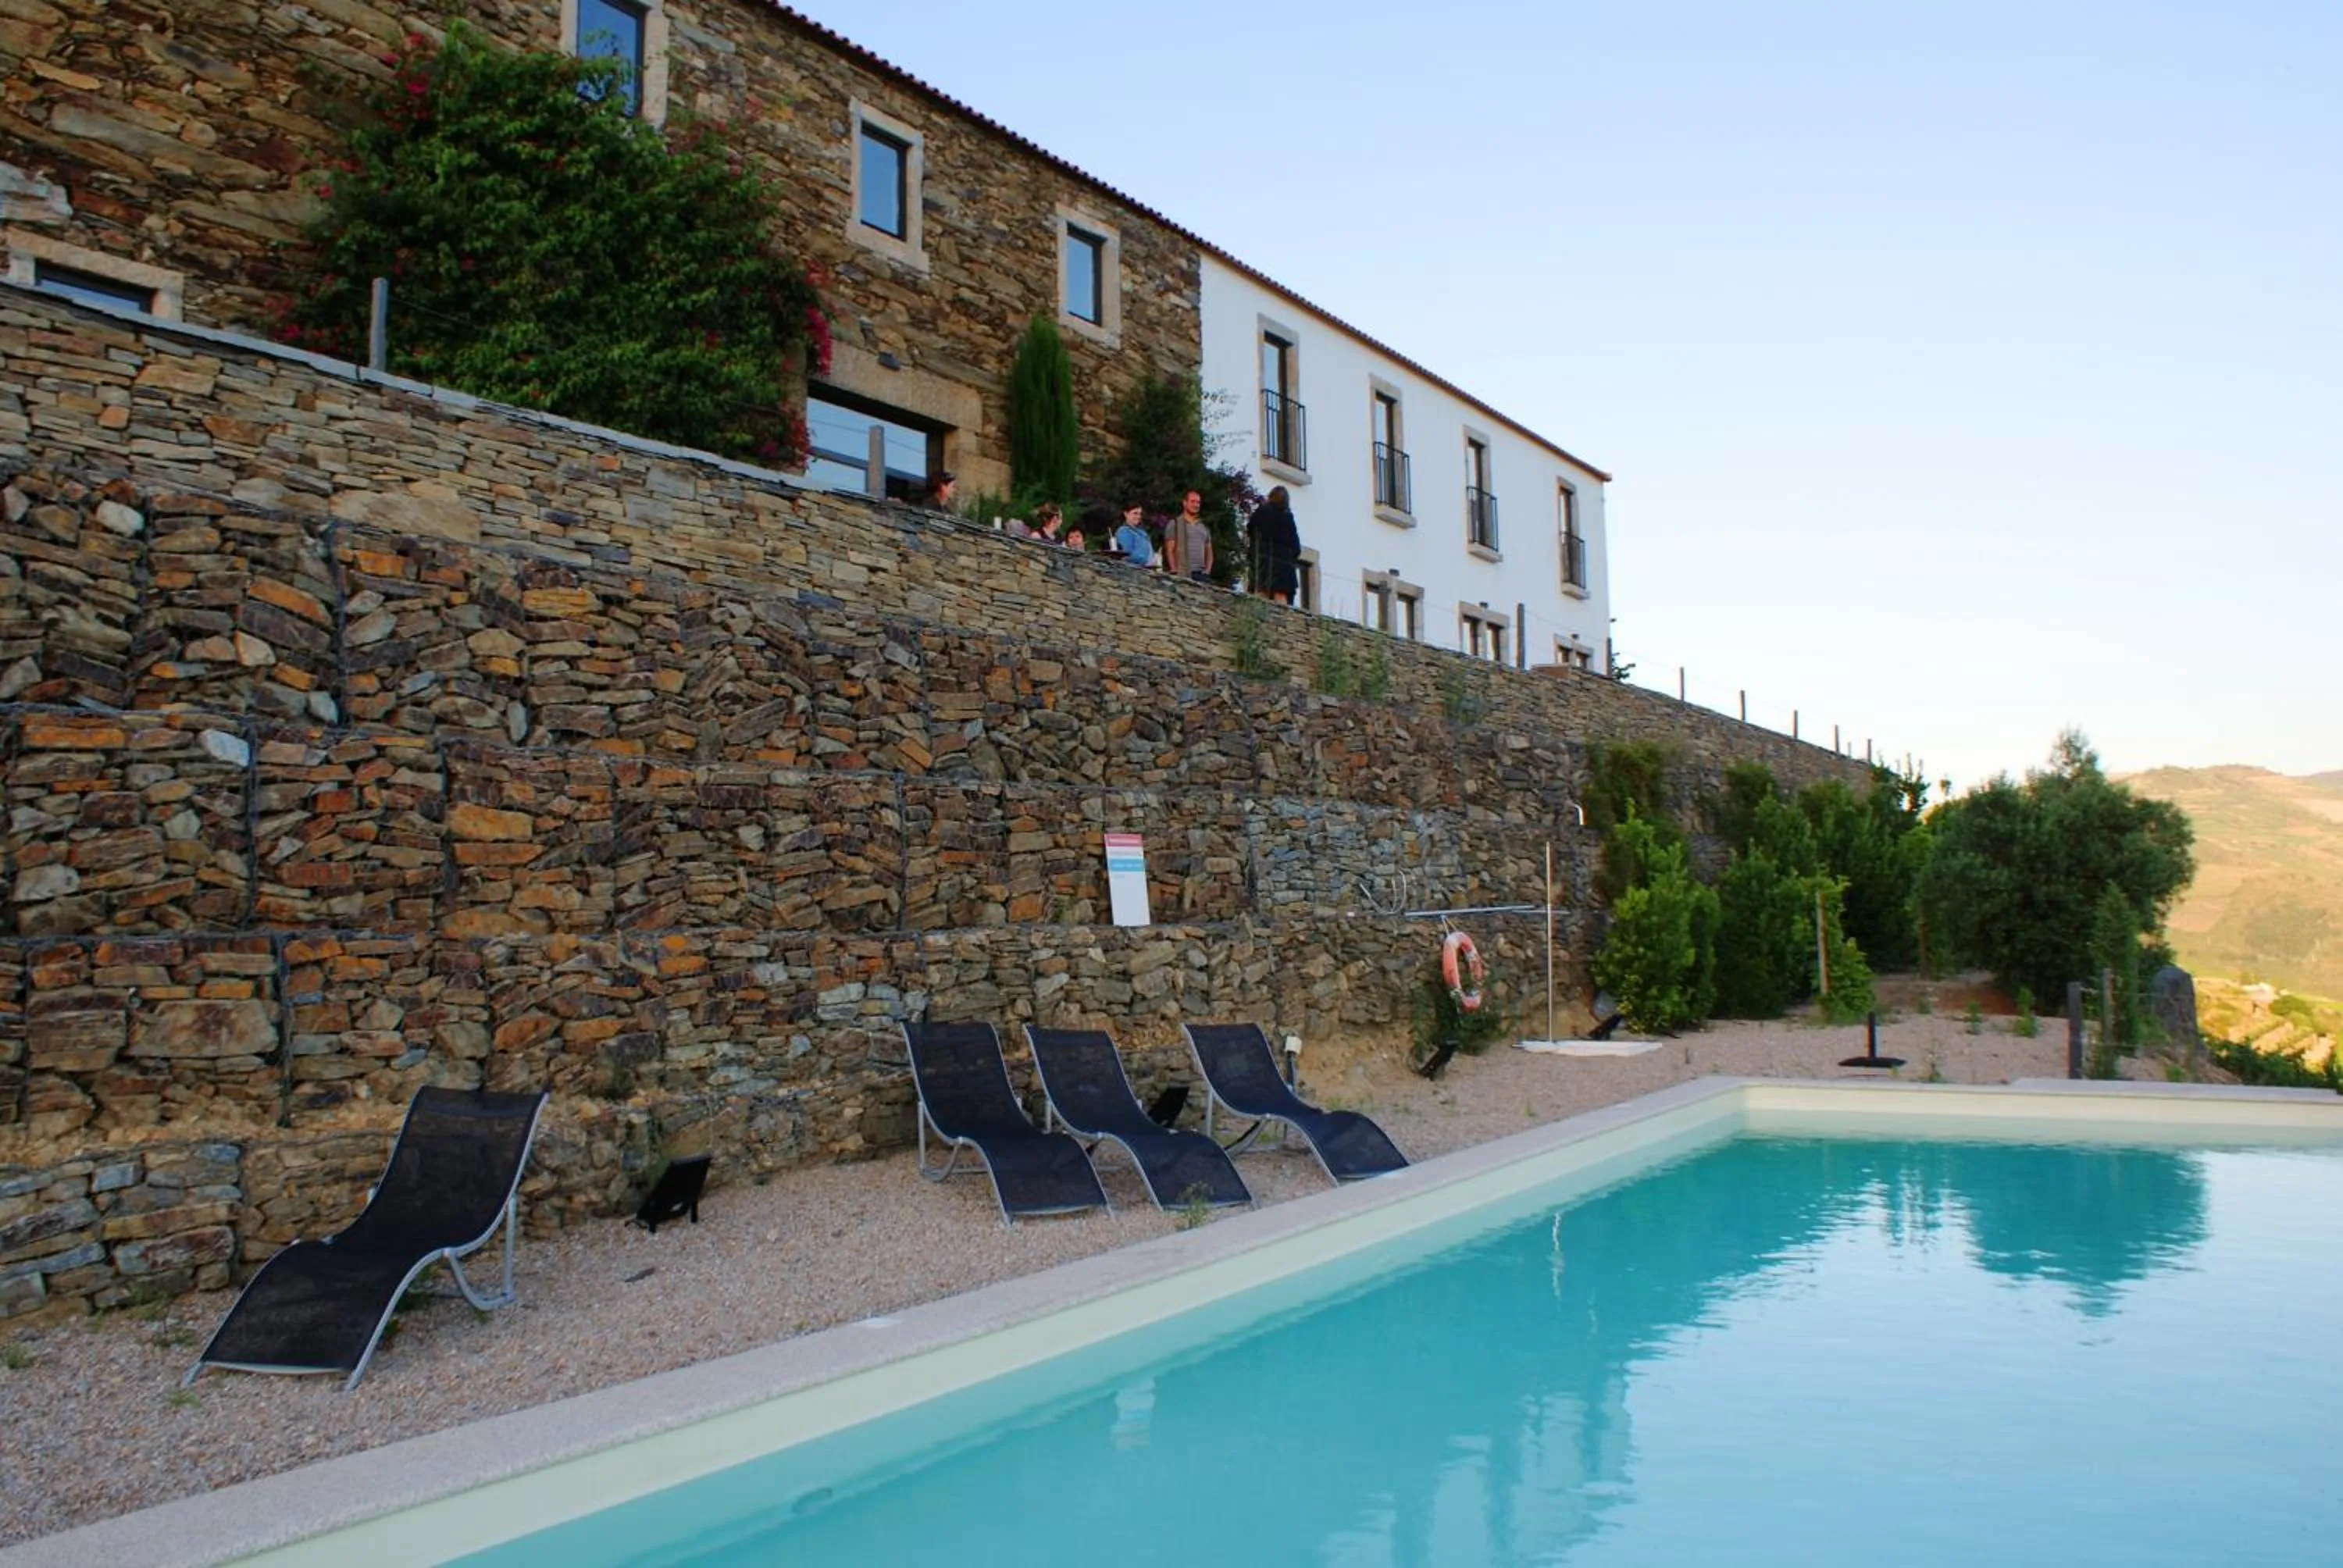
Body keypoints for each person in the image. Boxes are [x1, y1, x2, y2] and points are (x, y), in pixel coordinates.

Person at [1248, 485, 1302, 605]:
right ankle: (1279, 623)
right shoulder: (1288, 517)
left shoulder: (1261, 512)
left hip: (1262, 561)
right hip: (1284, 565)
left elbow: (1251, 530)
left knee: (1261, 593)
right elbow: (1295, 545)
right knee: (1281, 595)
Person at [1164, 490, 1213, 582]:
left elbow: (1209, 551)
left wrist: (1207, 571)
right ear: (1185, 503)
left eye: (1198, 502)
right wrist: (1174, 570)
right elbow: (1169, 550)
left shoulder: (1203, 527)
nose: (1196, 505)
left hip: (1200, 574)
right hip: (1182, 573)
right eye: (1193, 502)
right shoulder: (1175, 524)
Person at [1112, 503, 1155, 567]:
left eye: (1140, 514)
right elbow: (1127, 554)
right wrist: (1143, 561)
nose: (1138, 517)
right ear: (1126, 514)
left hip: (1147, 569)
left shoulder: (1142, 532)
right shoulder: (1124, 531)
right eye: (1135, 513)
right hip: (1134, 569)